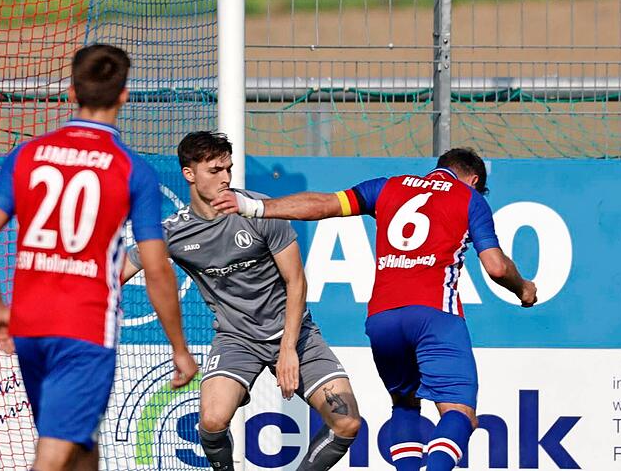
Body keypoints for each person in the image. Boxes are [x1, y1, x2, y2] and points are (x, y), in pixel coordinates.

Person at [213, 147, 538, 471]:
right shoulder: (469, 199)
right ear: (474, 180)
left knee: (405, 405)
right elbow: (496, 267)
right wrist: (523, 288)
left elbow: (323, 204)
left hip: (383, 319)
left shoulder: (388, 187)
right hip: (434, 316)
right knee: (459, 414)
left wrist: (253, 206)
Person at [0, 44, 198, 471]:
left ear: (72, 91)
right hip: (84, 329)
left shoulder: (27, 154)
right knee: (54, 456)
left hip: (29, 324)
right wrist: (179, 348)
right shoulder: (131, 169)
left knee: (79, 441)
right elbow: (155, 267)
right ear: (124, 94)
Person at [121, 131, 361, 471]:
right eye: (214, 170)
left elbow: (296, 281)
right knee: (212, 421)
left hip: (295, 334)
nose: (225, 178)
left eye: (228, 169)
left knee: (347, 422)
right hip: (236, 340)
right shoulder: (173, 232)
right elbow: (117, 273)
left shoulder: (259, 210)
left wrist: (288, 349)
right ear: (189, 174)